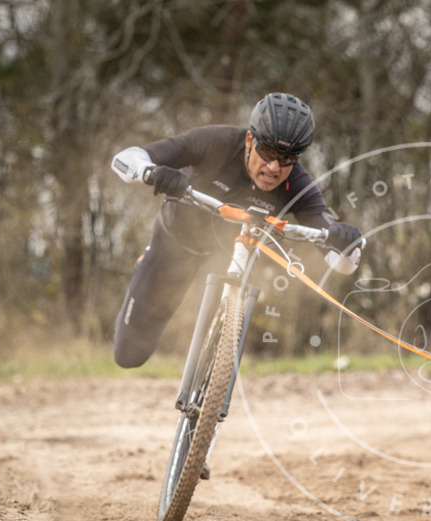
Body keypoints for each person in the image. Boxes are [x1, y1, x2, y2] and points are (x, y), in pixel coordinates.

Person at [109, 92, 362, 369]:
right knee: (129, 356)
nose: (274, 167)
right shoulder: (216, 142)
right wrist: (151, 172)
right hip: (173, 245)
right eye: (267, 152)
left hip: (226, 256)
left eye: (287, 158)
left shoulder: (297, 185)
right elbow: (125, 158)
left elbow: (341, 263)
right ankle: (145, 266)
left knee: (214, 340)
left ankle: (209, 388)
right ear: (250, 140)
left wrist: (346, 245)